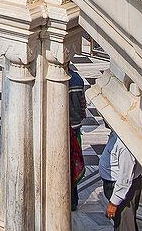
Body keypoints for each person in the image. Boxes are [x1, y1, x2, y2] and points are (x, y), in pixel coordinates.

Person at [99, 131, 142, 231]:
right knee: (121, 223)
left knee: (125, 225)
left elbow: (125, 177)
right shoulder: (116, 135)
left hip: (124, 192)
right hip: (118, 188)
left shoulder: (124, 143)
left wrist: (114, 202)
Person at [68, 63, 87, 211]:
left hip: (67, 127)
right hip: (76, 125)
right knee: (73, 162)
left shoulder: (65, 80)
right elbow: (83, 106)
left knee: (69, 163)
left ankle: (71, 199)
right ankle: (73, 199)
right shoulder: (78, 79)